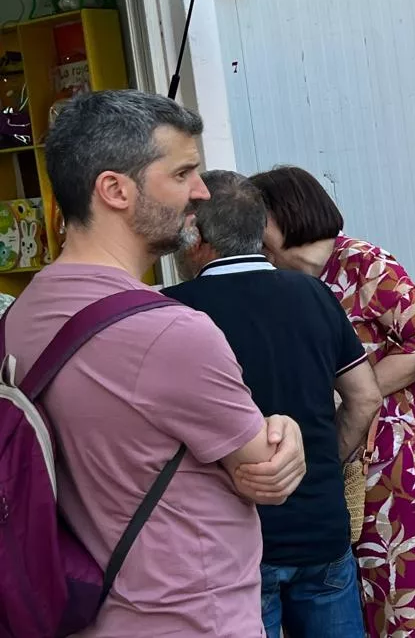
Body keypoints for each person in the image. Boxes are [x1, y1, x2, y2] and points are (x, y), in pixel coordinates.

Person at [5, 90, 306, 636]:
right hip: (193, 616)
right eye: (184, 172)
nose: (200, 192)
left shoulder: (22, 316)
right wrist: (286, 430)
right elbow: (267, 474)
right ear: (115, 190)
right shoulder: (172, 332)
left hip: (86, 612)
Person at [167, 171, 383, 638]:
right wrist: (319, 463)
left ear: (197, 237)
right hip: (321, 527)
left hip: (235, 542)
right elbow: (365, 398)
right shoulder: (314, 294)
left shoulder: (172, 312)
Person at [250, 166, 415, 638]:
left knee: (403, 595)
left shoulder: (362, 262)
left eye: (256, 218)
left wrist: (356, 394)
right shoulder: (286, 282)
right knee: (350, 594)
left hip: (395, 457)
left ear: (282, 216)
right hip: (338, 456)